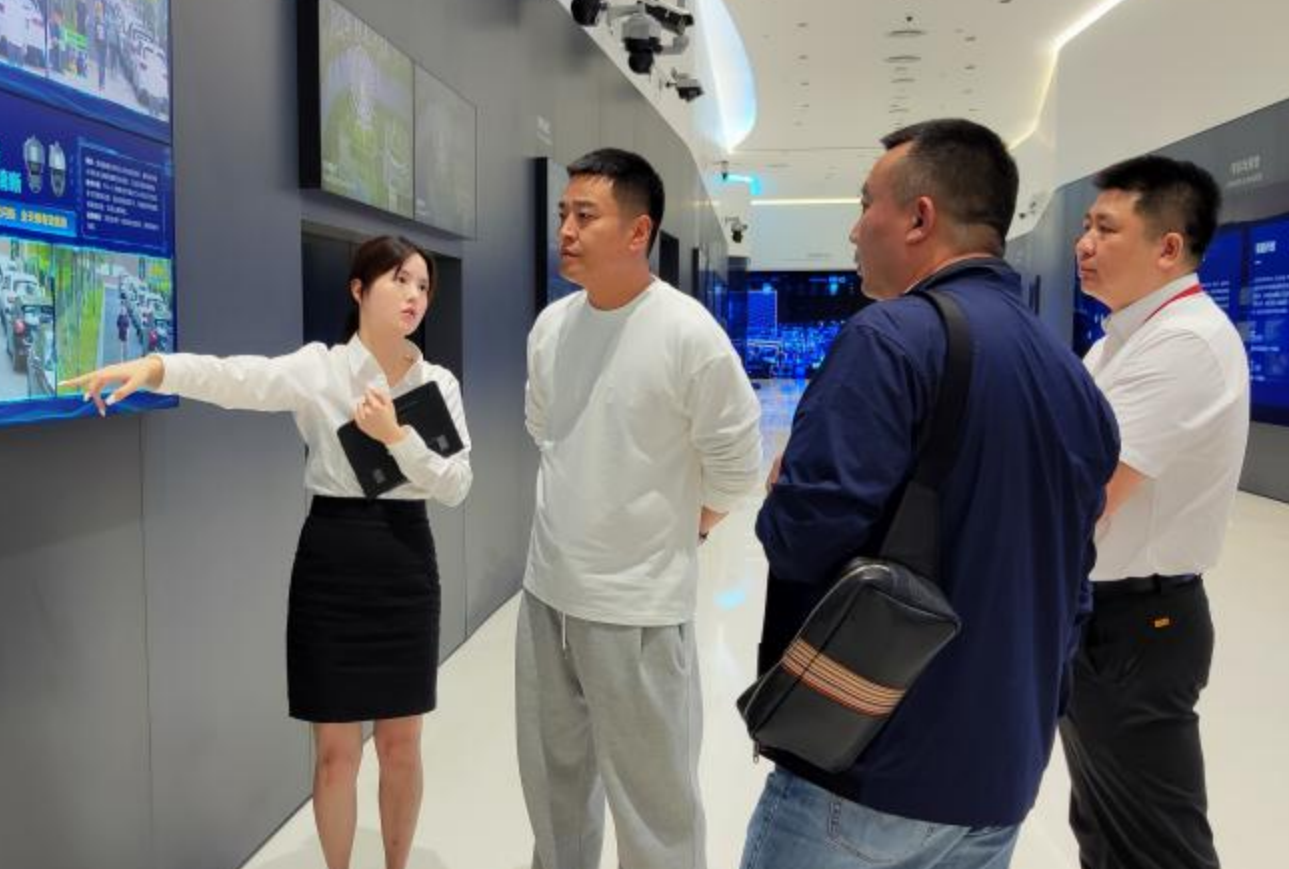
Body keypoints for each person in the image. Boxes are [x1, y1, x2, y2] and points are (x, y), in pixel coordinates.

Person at [742, 119, 1120, 869]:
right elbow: (1076, 579)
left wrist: (784, 488)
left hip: (867, 759)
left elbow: (802, 538)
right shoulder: (1073, 377)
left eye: (865, 204)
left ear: (919, 218)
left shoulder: (890, 338)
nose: (855, 230)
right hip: (999, 779)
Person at [64, 236, 471, 869]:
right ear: (359, 290)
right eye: (399, 280)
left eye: (423, 285)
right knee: (335, 754)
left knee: (401, 746)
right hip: (333, 559)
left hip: (406, 562)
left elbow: (456, 483)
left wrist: (397, 437)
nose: (414, 295)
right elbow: (238, 378)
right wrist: (158, 367)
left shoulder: (437, 382)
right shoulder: (321, 369)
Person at [519, 148, 763, 869]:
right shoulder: (552, 327)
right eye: (563, 213)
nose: (565, 229)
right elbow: (543, 427)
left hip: (639, 608)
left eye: (584, 215)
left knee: (656, 813)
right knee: (554, 801)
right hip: (547, 594)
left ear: (637, 231)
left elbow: (736, 465)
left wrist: (692, 526)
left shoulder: (688, 334)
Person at [1065, 156, 1249, 869]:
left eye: (1106, 228)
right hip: (1105, 615)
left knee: (1158, 845)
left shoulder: (1185, 342)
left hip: (1142, 624)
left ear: (1168, 247)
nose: (1084, 243)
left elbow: (1085, 492)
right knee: (1106, 831)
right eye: (1086, 225)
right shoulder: (1114, 343)